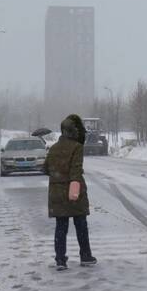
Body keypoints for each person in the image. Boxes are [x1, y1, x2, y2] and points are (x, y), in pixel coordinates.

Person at [44, 114, 97, 271]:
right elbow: (75, 170)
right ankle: (85, 256)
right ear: (74, 132)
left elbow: (45, 168)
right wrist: (73, 184)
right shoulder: (76, 147)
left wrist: (58, 174)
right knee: (80, 224)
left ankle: (60, 259)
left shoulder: (53, 148)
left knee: (61, 226)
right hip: (73, 192)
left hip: (56, 192)